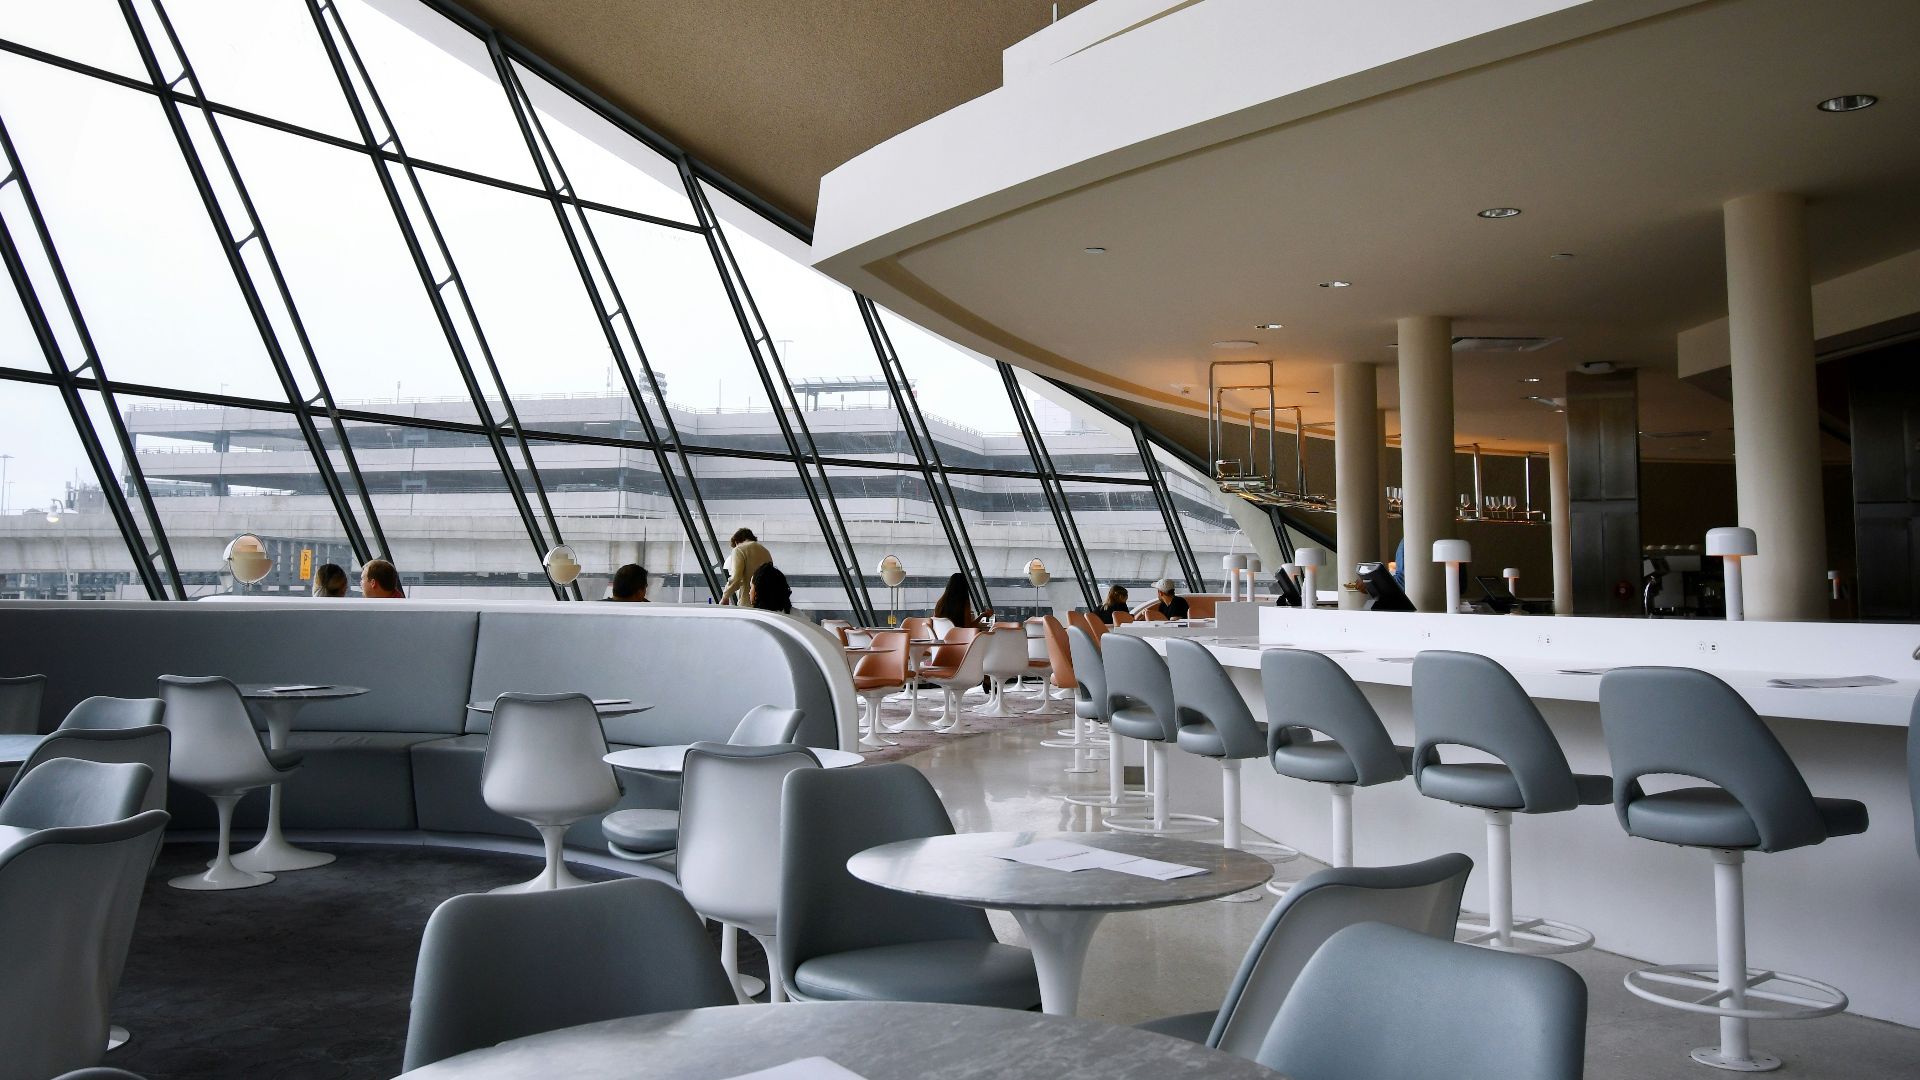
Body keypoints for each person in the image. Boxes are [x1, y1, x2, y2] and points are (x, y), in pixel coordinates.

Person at [721, 527, 773, 605]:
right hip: (766, 602)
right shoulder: (766, 551)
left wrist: (725, 597)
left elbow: (736, 578)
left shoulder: (739, 549)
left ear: (736, 542)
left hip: (747, 602)